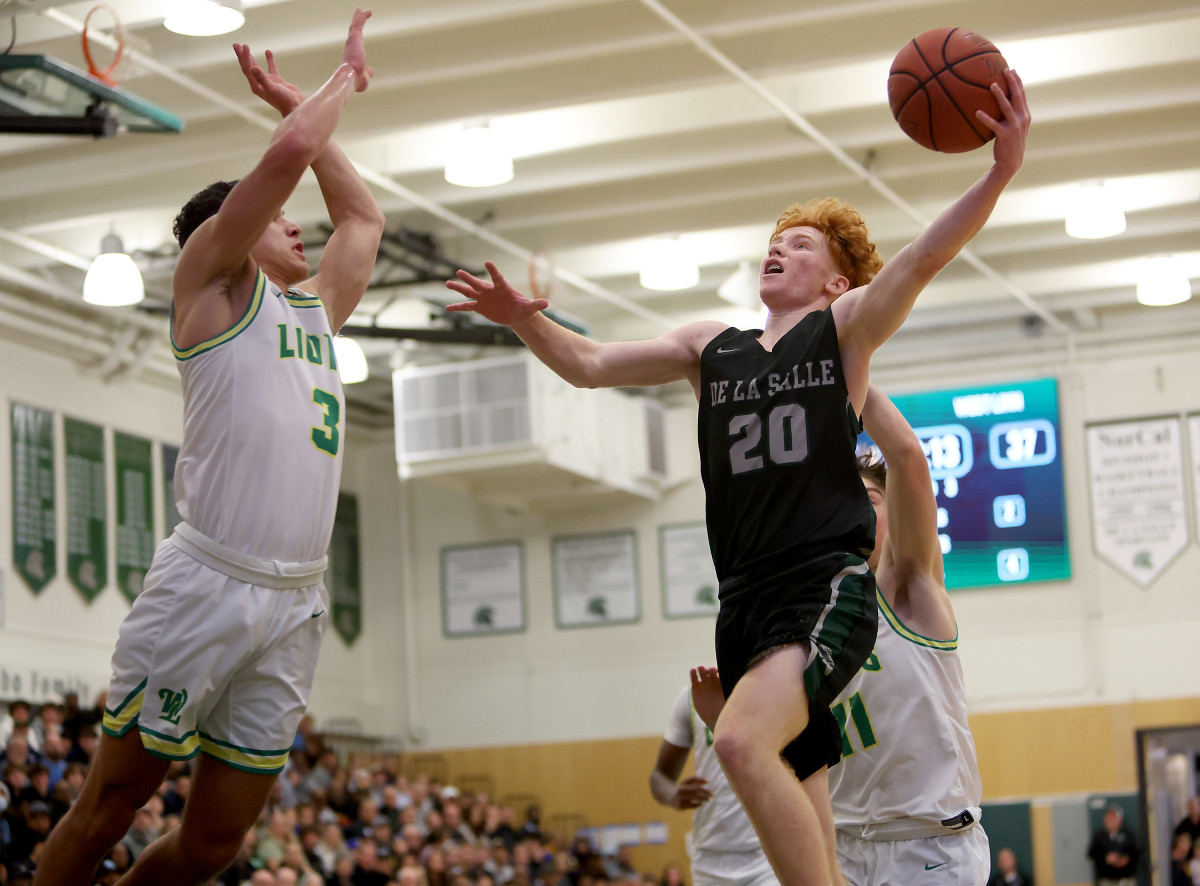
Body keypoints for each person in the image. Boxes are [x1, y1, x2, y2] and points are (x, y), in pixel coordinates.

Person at [447, 70, 1030, 886]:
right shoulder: (706, 344)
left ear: (836, 282)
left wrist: (998, 170)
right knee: (799, 768)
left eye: (803, 245)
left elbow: (924, 256)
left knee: (738, 742)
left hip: (821, 582)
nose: (779, 246)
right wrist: (524, 320)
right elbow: (586, 365)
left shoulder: (845, 328)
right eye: (777, 237)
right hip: (743, 593)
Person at [32, 10, 384, 886]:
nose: (299, 228)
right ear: (227, 235)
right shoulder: (214, 296)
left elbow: (365, 221)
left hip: (295, 600)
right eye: (278, 221)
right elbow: (285, 160)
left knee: (216, 845)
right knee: (110, 806)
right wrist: (330, 90)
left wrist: (307, 102)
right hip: (209, 583)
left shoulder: (314, 313)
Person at [822, 384, 989, 882]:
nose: (854, 508)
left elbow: (908, 457)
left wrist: (842, 363)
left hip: (931, 847)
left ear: (895, 514)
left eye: (870, 498)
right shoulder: (813, 615)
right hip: (844, 844)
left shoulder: (912, 591)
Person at [650, 680, 776, 886]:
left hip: (766, 851)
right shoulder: (692, 696)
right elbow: (659, 777)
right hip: (709, 856)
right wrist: (673, 795)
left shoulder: (776, 685)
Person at [1087, 806, 1140, 886]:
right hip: (1107, 880)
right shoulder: (1099, 836)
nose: (1110, 821)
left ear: (1119, 820)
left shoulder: (1128, 834)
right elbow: (1091, 853)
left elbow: (1137, 852)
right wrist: (1106, 858)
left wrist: (1126, 858)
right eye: (1108, 818)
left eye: (1113, 818)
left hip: (1126, 879)